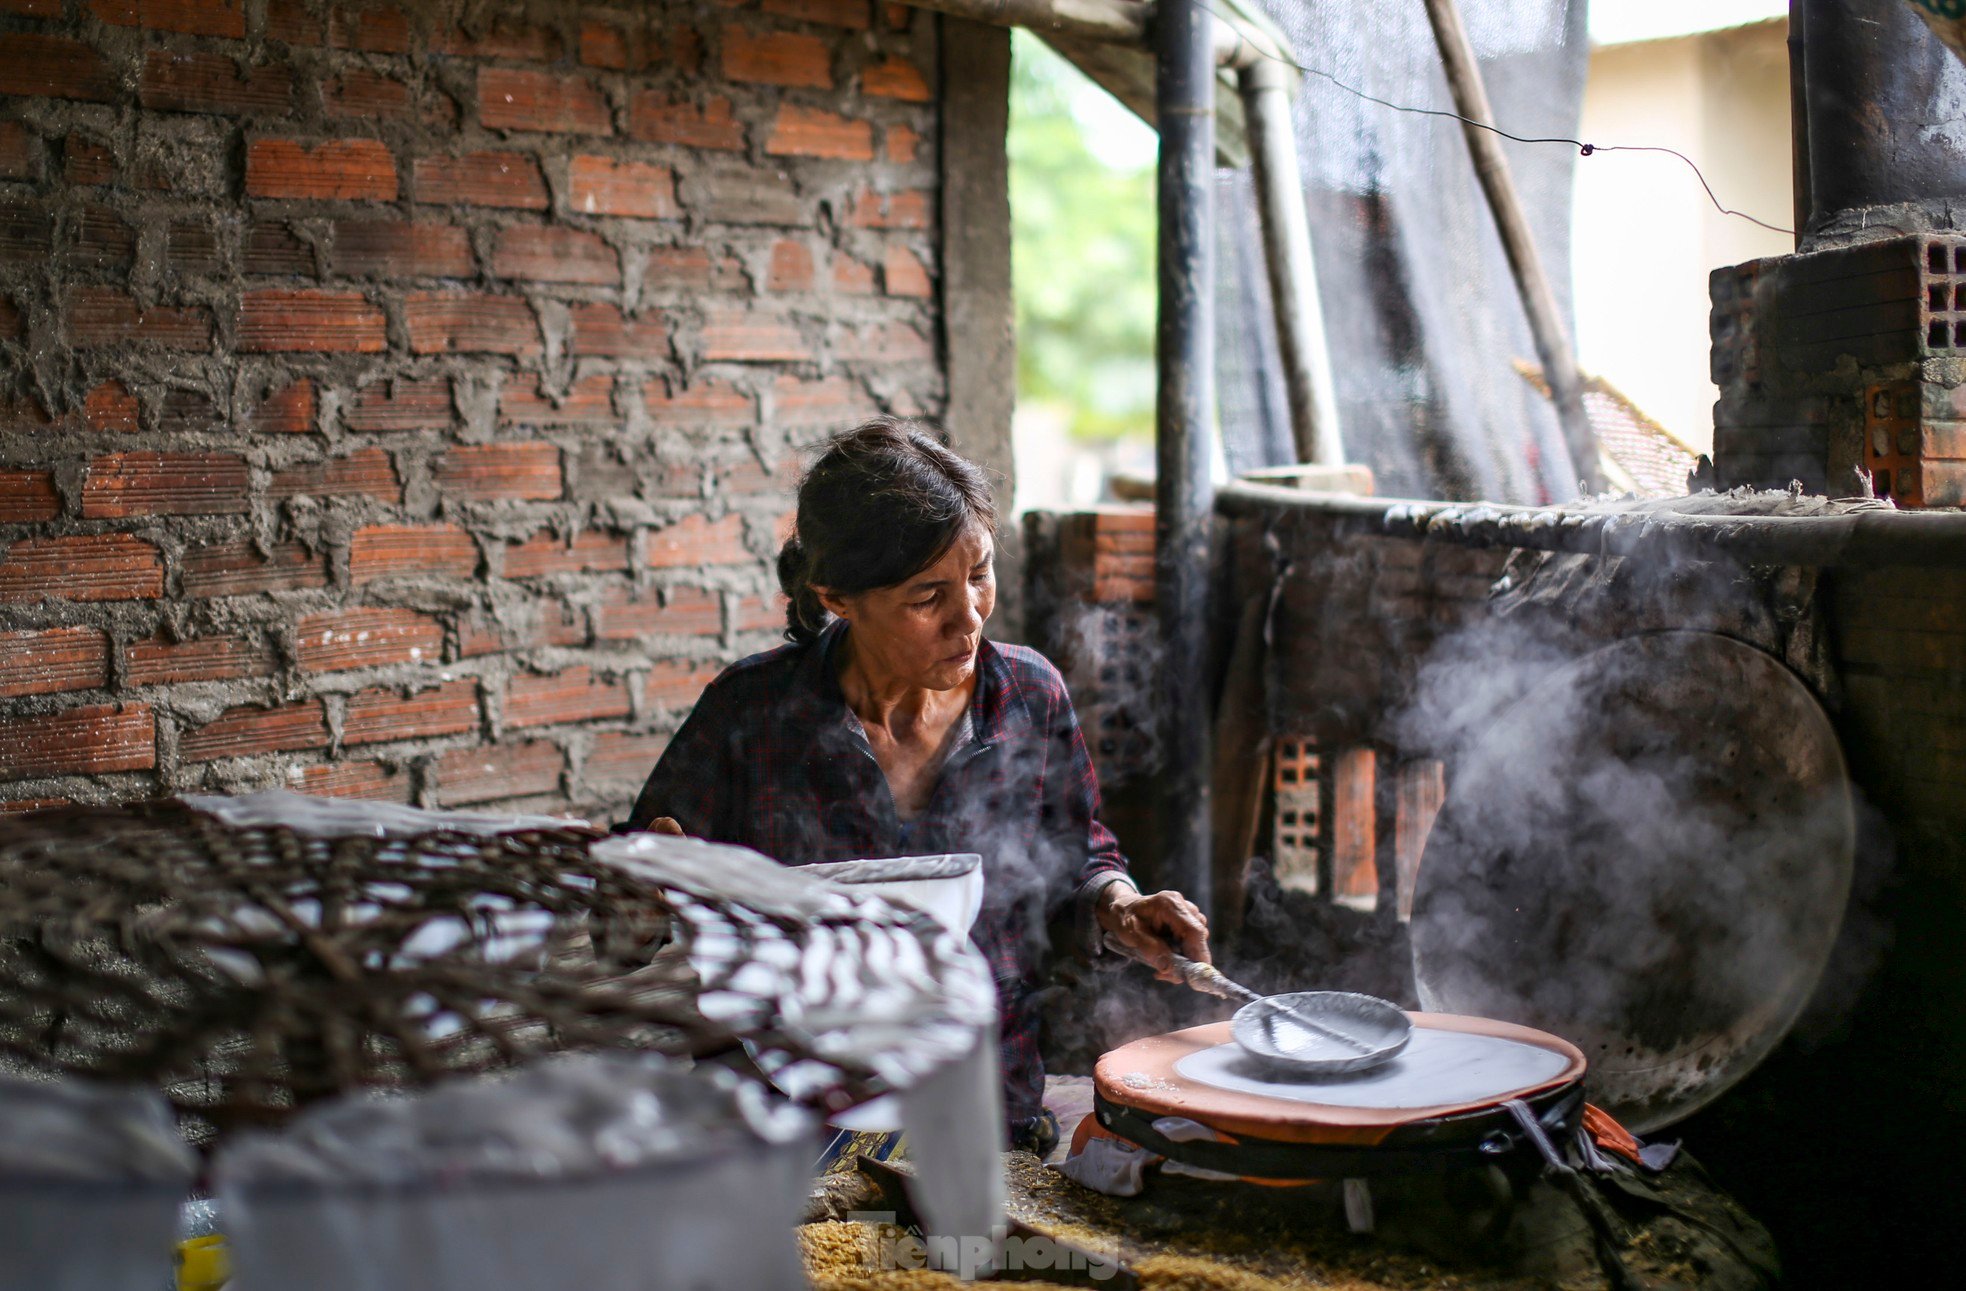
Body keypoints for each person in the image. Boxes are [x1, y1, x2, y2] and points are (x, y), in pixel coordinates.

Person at [621, 416, 1211, 1151]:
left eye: (980, 573)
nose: (969, 618)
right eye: (928, 596)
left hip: (982, 1103)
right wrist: (644, 876)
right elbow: (624, 929)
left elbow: (1078, 855)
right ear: (838, 596)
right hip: (788, 1111)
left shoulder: (1029, 695)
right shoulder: (752, 712)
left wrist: (1120, 906)